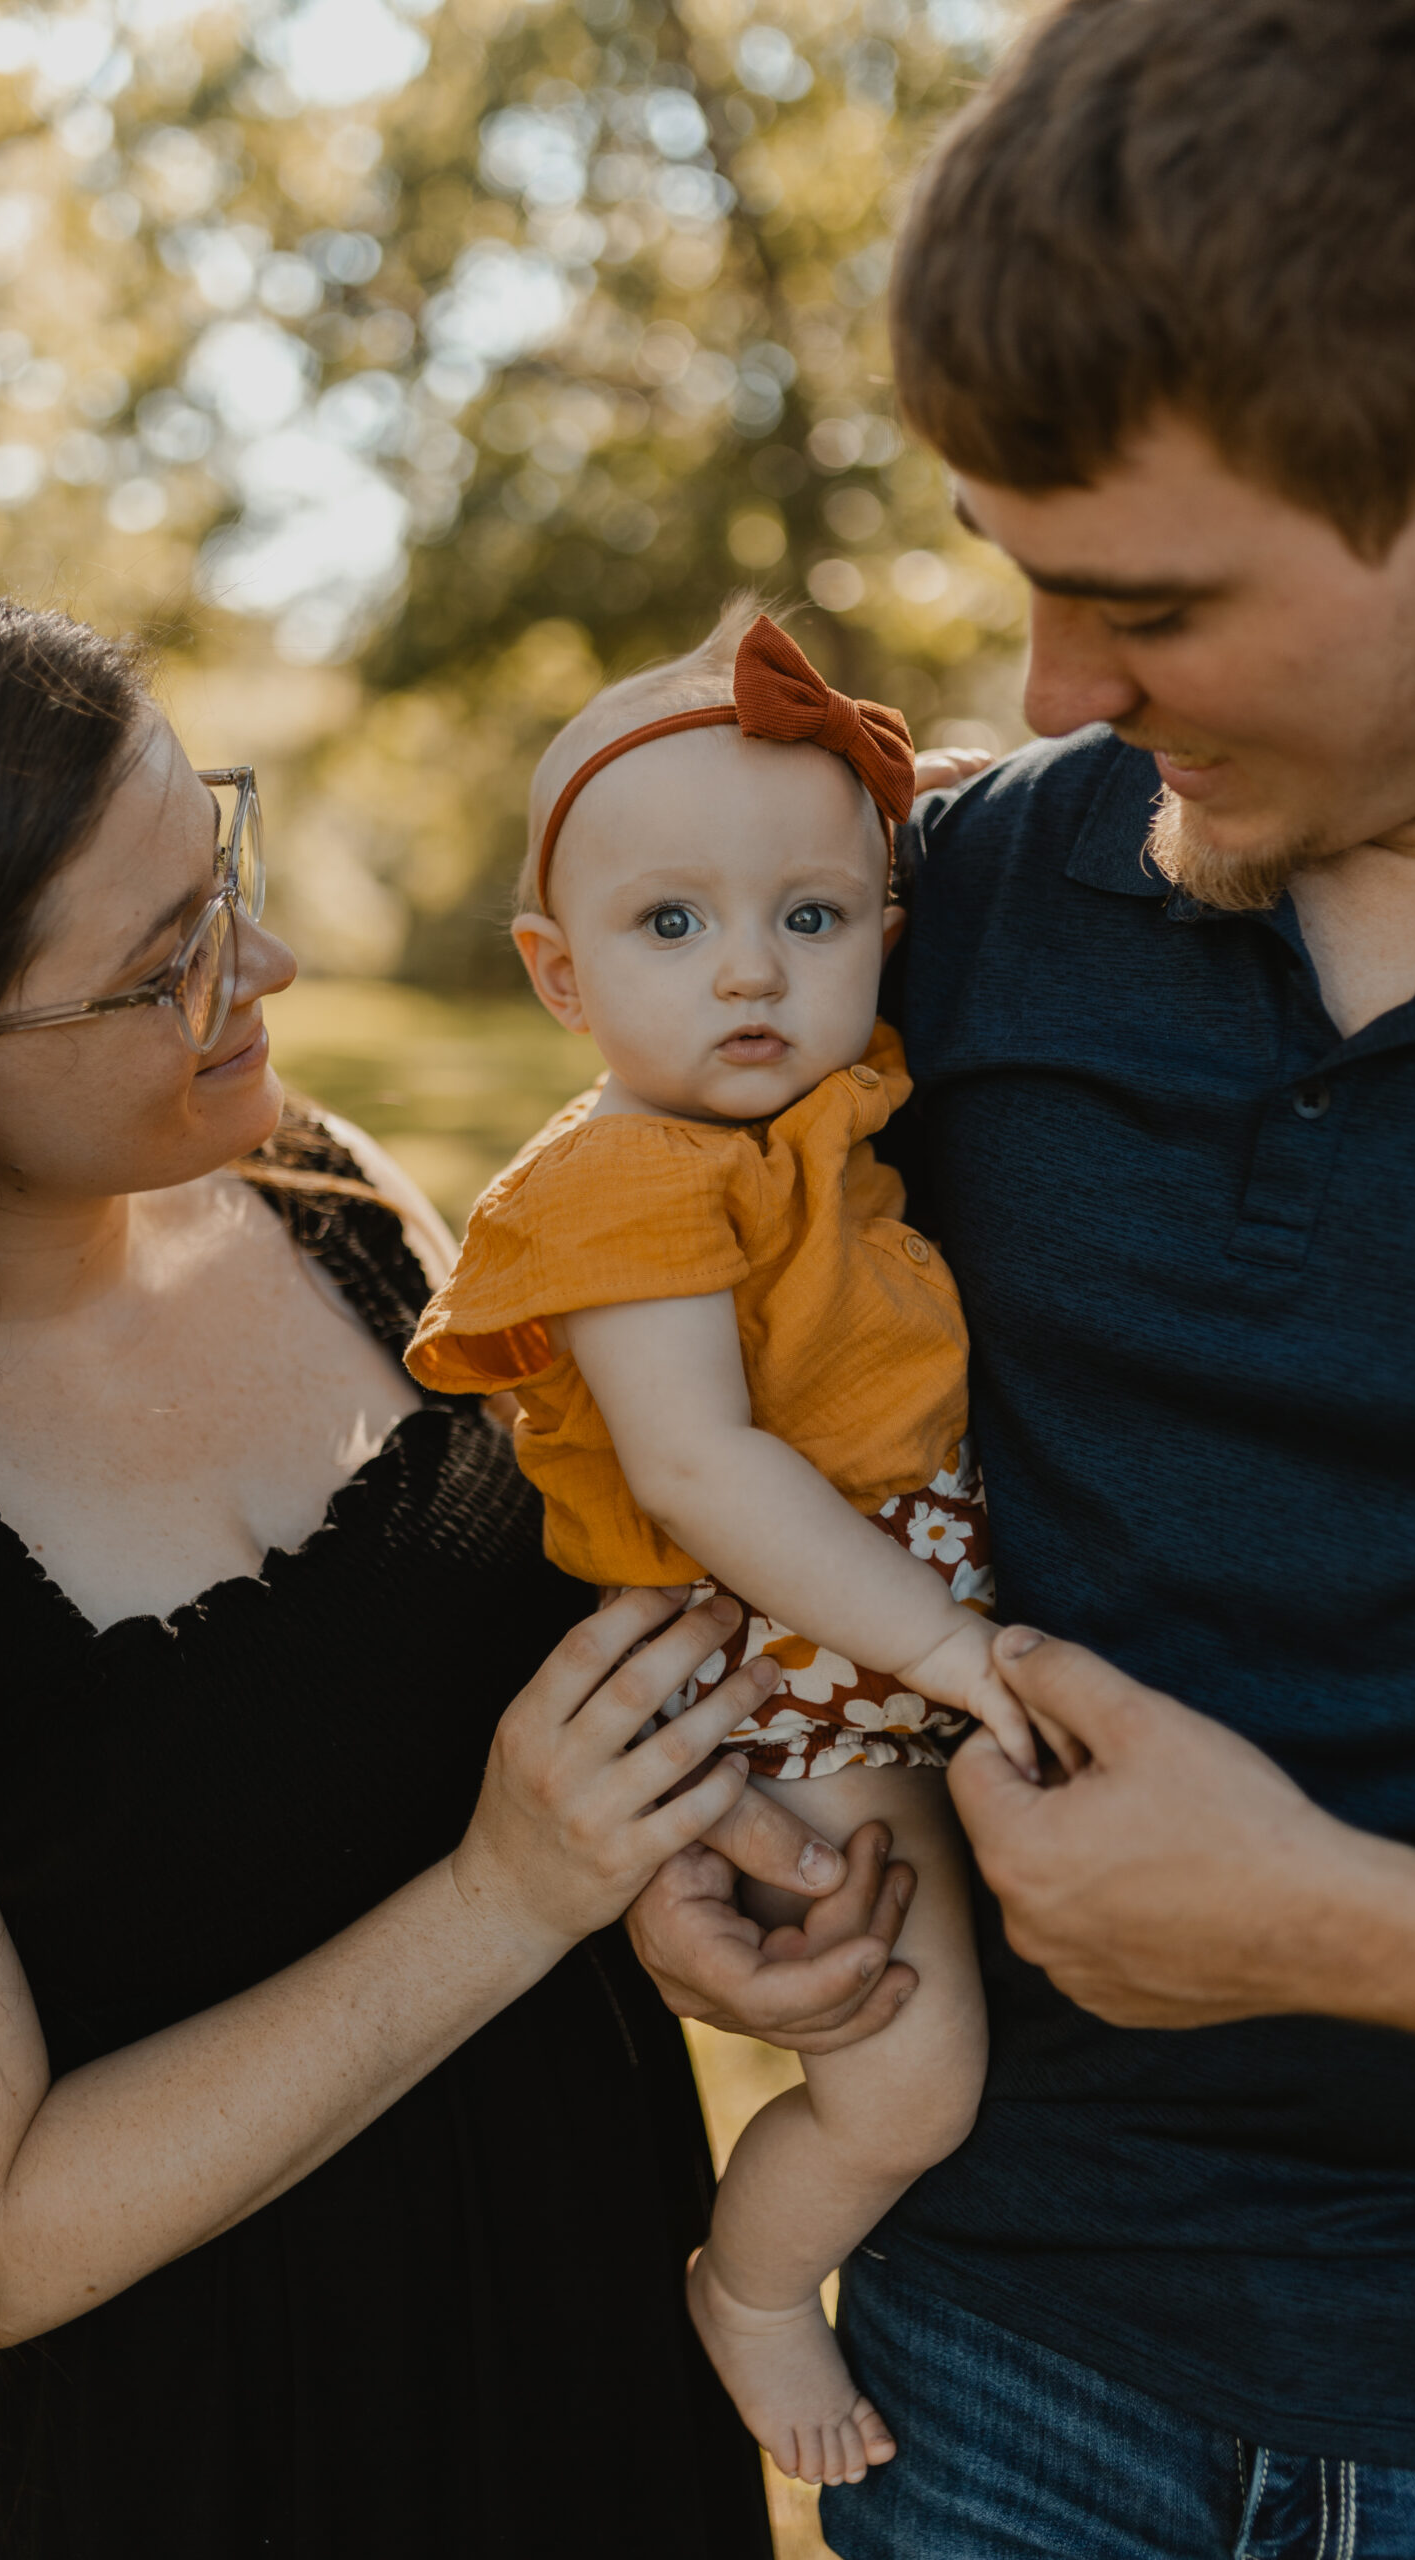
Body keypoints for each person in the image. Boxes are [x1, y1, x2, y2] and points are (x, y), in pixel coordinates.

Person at [626, 3, 1415, 2552]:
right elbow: (755, 1383)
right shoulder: (962, 905)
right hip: (993, 2363)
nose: (1047, 695)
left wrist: (1349, 1928)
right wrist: (743, 1808)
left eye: (1145, 603)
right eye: (1020, 584)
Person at [0, 570, 783, 2560]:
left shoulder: (337, 1192)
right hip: (225, 2451)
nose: (275, 955)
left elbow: (560, 1659)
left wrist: (701, 1870)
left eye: (221, 859)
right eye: (165, 958)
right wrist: (508, 1896)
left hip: (592, 2316)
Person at [405, 602, 1052, 2492]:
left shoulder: (788, 1111)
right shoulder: (622, 1178)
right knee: (910, 2061)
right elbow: (697, 1470)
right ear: (558, 973)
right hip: (781, 1657)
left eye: (814, 919)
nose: (751, 973)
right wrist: (953, 1656)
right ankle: (760, 2289)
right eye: (669, 926)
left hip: (857, 1617)